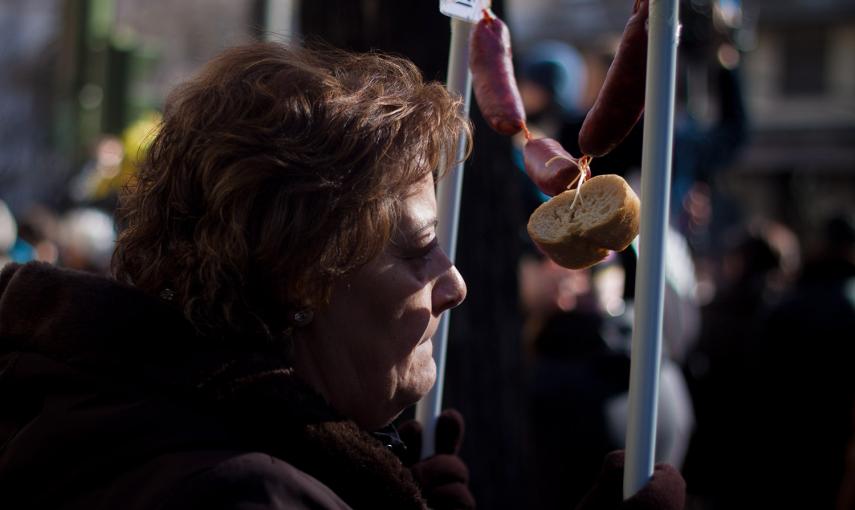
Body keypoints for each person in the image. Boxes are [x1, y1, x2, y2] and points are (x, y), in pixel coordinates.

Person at [0, 42, 683, 509]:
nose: (455, 285)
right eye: (417, 249)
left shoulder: (143, 424)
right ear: (301, 275)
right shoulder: (243, 493)